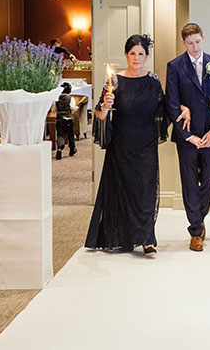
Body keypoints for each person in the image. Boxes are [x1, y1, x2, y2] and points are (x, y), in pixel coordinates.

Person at [85, 34, 167, 256]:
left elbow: (164, 110)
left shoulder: (153, 81)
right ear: (126, 55)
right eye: (132, 53)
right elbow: (100, 116)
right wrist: (105, 105)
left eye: (141, 54)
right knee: (124, 191)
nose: (137, 58)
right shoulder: (114, 82)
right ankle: (124, 237)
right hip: (122, 145)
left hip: (147, 144)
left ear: (146, 56)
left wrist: (185, 110)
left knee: (146, 190)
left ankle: (147, 238)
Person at [165, 23, 210, 251]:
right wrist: (188, 136)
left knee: (209, 178)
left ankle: (199, 218)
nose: (194, 46)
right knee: (189, 182)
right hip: (187, 137)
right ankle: (195, 231)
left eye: (197, 42)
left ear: (203, 38)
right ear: (183, 42)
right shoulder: (174, 66)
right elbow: (172, 104)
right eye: (190, 43)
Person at [55, 82, 78, 160]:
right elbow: (72, 107)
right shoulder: (70, 98)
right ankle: (72, 148)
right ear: (70, 90)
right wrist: (76, 108)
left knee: (60, 134)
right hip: (68, 118)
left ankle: (59, 148)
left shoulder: (57, 98)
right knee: (70, 134)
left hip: (59, 118)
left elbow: (53, 108)